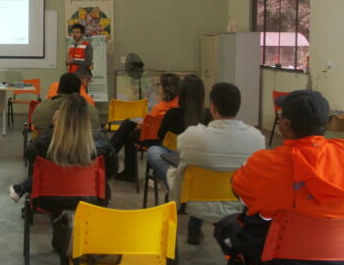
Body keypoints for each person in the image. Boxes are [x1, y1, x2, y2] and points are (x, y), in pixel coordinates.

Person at [214, 90, 344, 265]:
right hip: (341, 260)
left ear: (284, 124)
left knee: (227, 227)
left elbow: (240, 192)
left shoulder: (263, 162)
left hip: (276, 261)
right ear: (326, 123)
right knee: (318, 231)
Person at [164, 82, 264, 245]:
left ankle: (189, 229)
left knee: (163, 160)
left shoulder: (192, 135)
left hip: (192, 202)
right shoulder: (257, 138)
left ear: (212, 107)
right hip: (237, 204)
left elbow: (178, 147)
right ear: (238, 107)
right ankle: (194, 229)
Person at [9, 93, 115, 202]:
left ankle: (57, 216)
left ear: (61, 115)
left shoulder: (47, 139)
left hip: (50, 199)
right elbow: (112, 171)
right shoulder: (101, 141)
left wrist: (53, 127)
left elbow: (29, 155)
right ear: (87, 117)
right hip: (91, 199)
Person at [111, 72, 181, 181]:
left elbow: (154, 123)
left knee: (128, 126)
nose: (157, 87)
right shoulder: (179, 105)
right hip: (169, 141)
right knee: (129, 133)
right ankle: (125, 169)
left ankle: (110, 154)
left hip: (152, 139)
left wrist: (143, 124)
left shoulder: (162, 106)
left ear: (166, 88)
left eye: (159, 84)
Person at [145, 74, 212, 187]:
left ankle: (174, 182)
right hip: (200, 158)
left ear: (182, 93)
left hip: (174, 156)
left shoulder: (172, 113)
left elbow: (160, 135)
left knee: (153, 151)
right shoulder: (208, 115)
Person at [31, 73, 100, 132]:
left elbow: (36, 125)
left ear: (58, 89)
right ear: (79, 90)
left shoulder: (41, 109)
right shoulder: (91, 111)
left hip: (48, 146)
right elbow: (94, 129)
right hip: (80, 147)